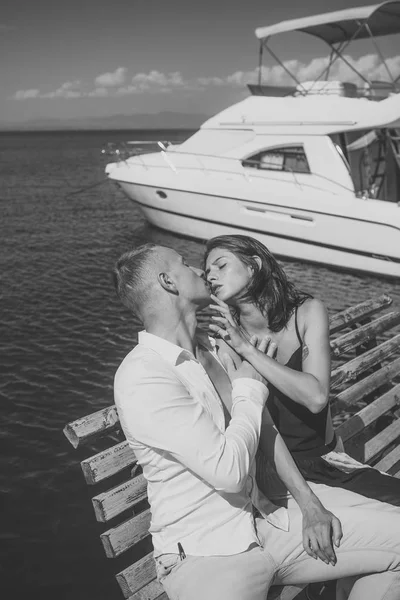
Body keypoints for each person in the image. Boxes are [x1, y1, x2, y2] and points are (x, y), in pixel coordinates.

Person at [113, 242, 400, 600]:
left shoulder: (213, 349)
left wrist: (310, 505)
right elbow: (228, 471)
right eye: (188, 265)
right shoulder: (145, 375)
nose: (203, 272)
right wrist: (250, 383)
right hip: (209, 554)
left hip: (269, 520)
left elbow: (264, 429)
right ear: (169, 283)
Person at [204, 234, 400, 506]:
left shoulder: (307, 313)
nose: (211, 276)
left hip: (329, 461)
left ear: (254, 266)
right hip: (279, 475)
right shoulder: (224, 342)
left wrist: (249, 350)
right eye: (207, 272)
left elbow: (316, 397)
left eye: (220, 265)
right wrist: (238, 344)